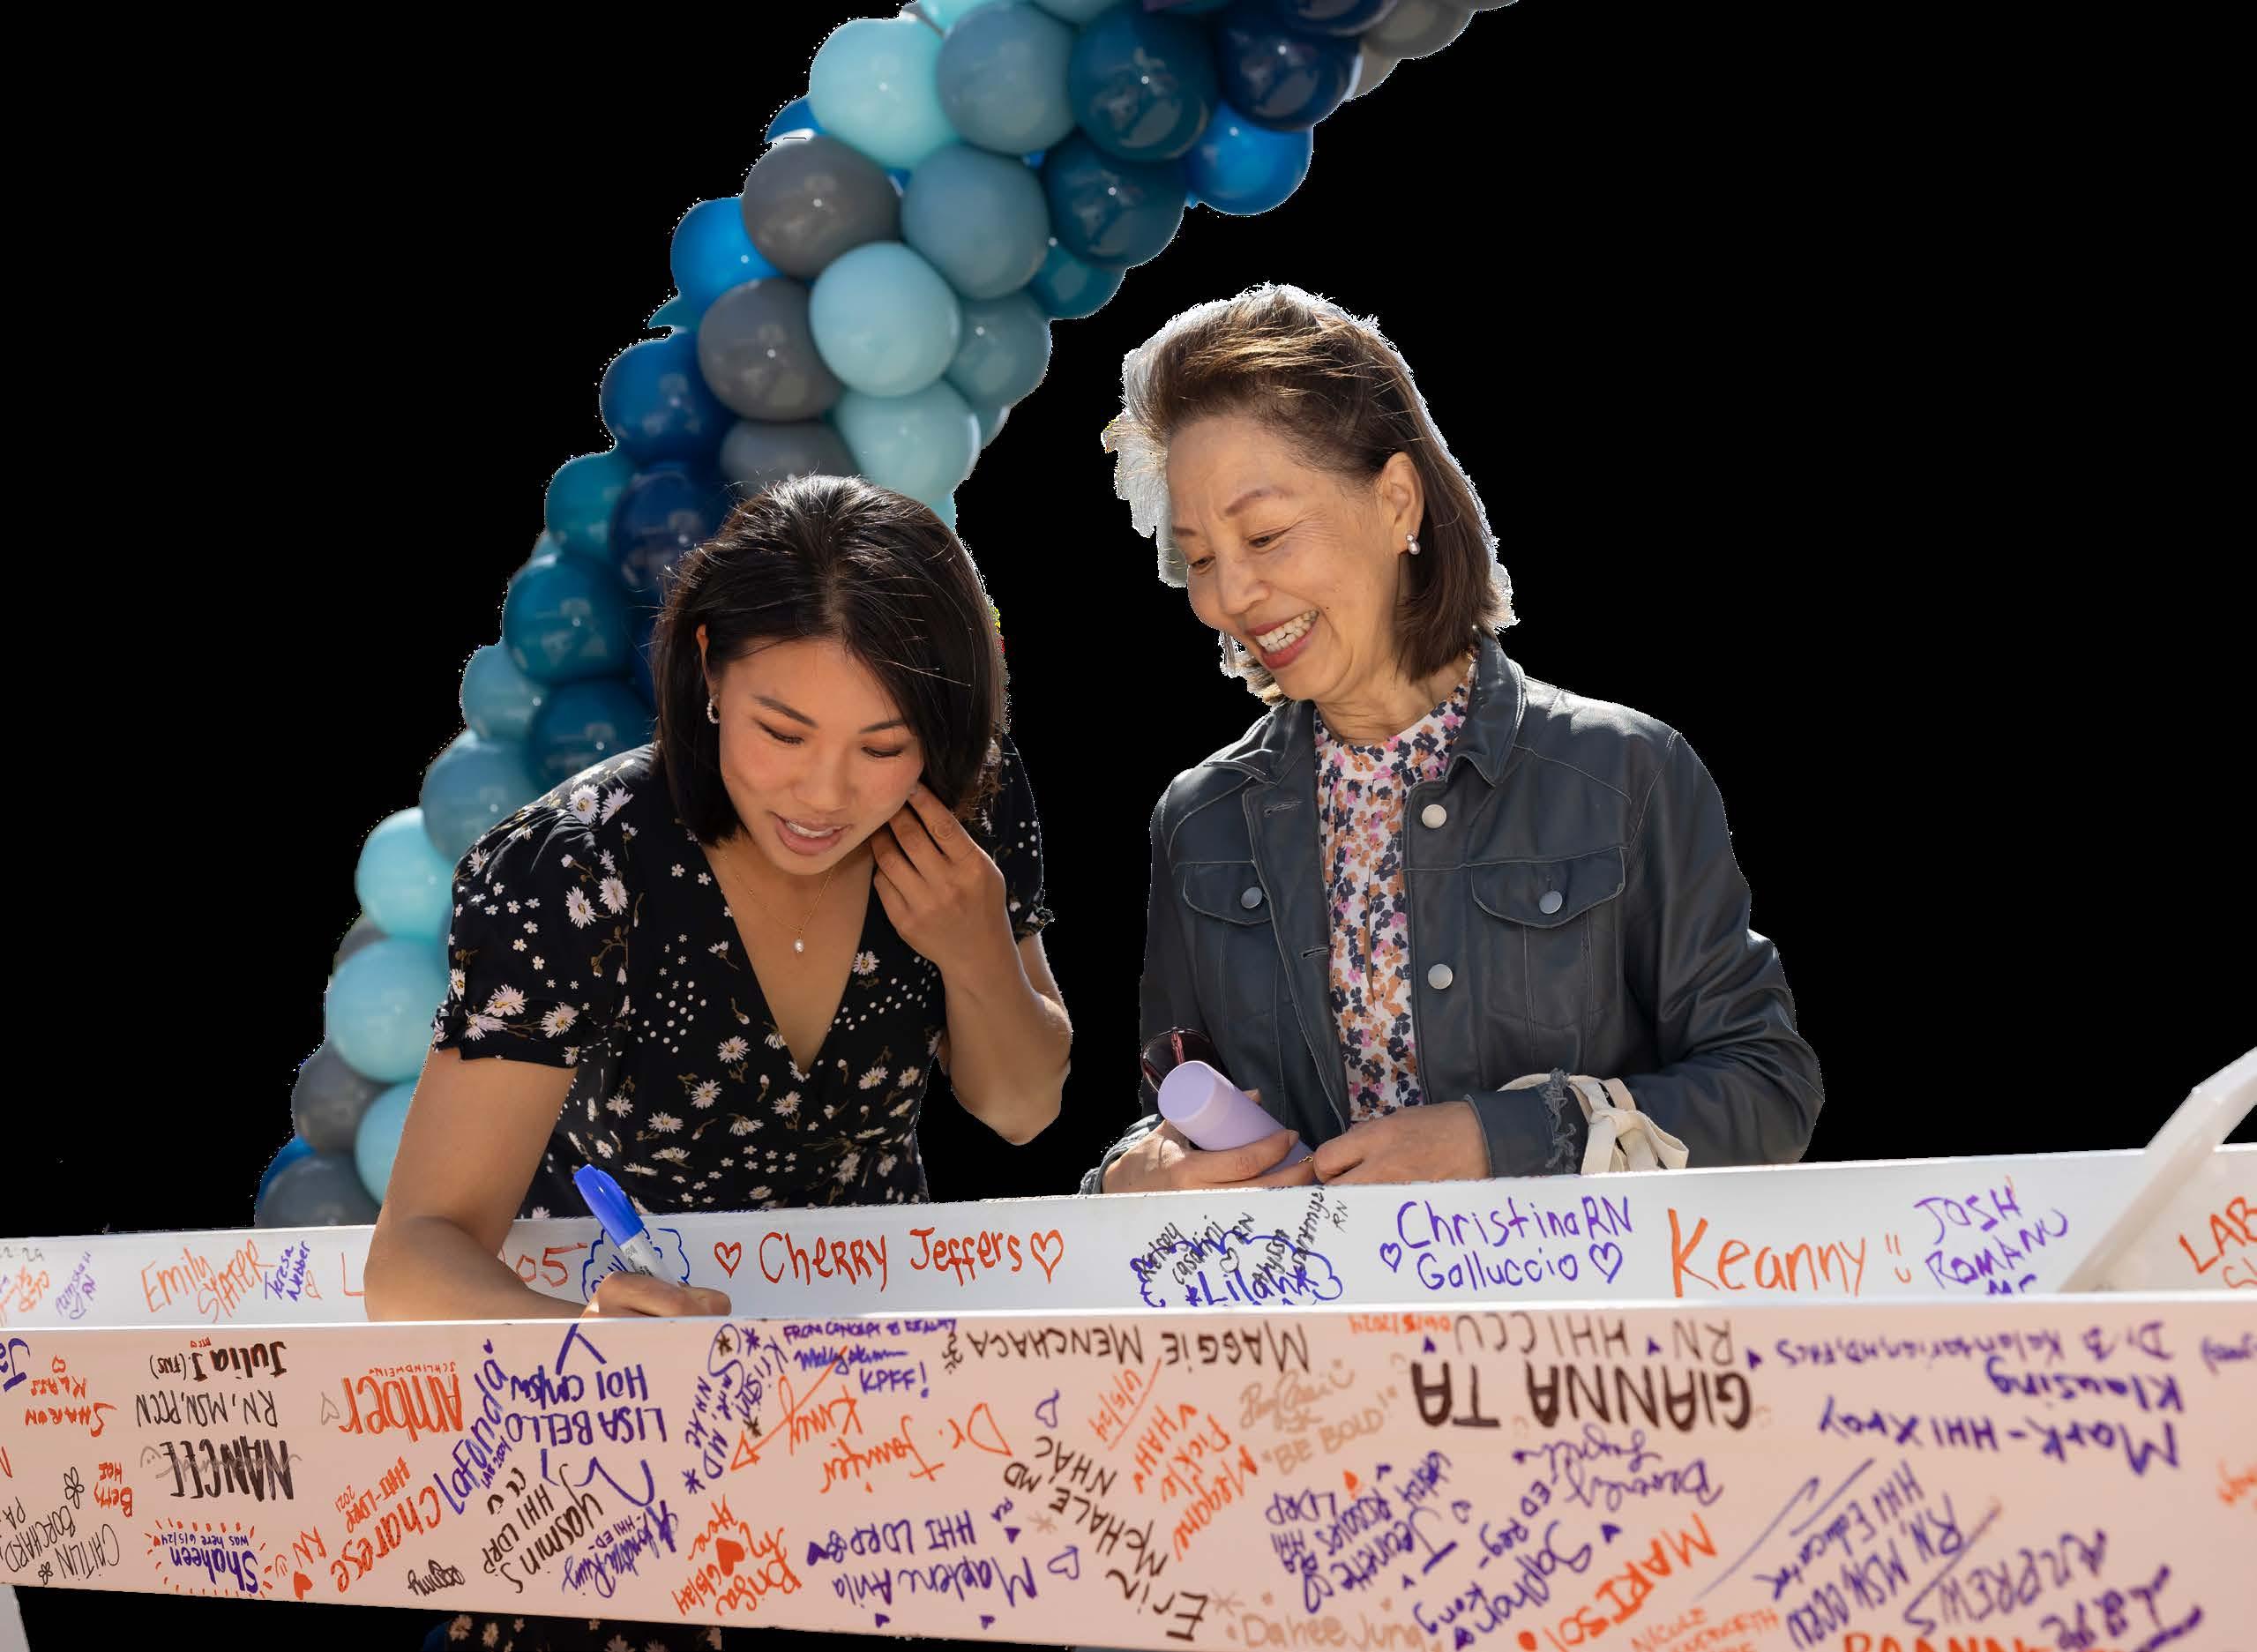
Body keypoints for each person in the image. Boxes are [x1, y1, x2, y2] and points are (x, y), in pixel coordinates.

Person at [368, 474, 1071, 1652]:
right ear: (705, 667)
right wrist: (581, 1340)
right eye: (781, 732)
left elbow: (1019, 1106)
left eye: (883, 746)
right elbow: (412, 1256)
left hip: (878, 1450)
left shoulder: (964, 809)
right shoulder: (574, 865)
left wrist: (975, 949)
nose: (824, 793)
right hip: (619, 1474)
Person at [1086, 285, 1821, 1197]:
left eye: (1265, 534)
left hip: (1574, 1295)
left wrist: (1496, 1138)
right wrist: (1131, 1177)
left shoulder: (1626, 773)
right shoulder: (1198, 820)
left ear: (1397, 501)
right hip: (1306, 1299)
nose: (1228, 596)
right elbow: (1170, 1105)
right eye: (1200, 557)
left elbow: (1768, 1088)